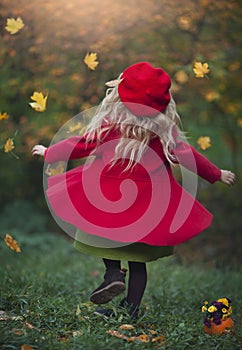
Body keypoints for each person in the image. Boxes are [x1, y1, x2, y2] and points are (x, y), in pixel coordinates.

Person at [32, 62, 236, 320]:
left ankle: (113, 274)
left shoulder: (112, 123)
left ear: (119, 93)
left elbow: (82, 145)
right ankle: (130, 311)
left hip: (107, 193)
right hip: (149, 204)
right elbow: (186, 155)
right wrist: (216, 174)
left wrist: (50, 153)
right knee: (137, 263)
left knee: (103, 235)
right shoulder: (163, 131)